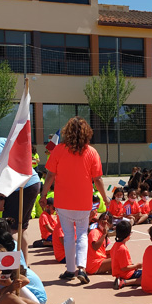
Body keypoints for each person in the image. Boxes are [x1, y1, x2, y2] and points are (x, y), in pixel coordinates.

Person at [38, 118, 108, 284]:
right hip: (83, 201)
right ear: (87, 133)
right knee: (82, 233)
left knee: (69, 234)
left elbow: (50, 176)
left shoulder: (59, 150)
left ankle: (70, 270)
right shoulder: (92, 152)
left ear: (67, 132)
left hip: (63, 201)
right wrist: (106, 198)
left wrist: (43, 195)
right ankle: (82, 268)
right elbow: (98, 179)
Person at [0, 131, 47, 269]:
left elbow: (7, 174)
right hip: (28, 184)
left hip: (21, 187)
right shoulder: (0, 142)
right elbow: (2, 180)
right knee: (21, 227)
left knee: (8, 229)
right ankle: (23, 264)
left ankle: (10, 265)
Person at [111, 220, 141, 290]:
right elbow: (124, 268)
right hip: (126, 274)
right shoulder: (122, 248)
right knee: (148, 276)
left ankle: (122, 280)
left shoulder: (116, 245)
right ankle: (125, 282)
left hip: (121, 273)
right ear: (127, 235)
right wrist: (136, 266)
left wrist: (133, 266)